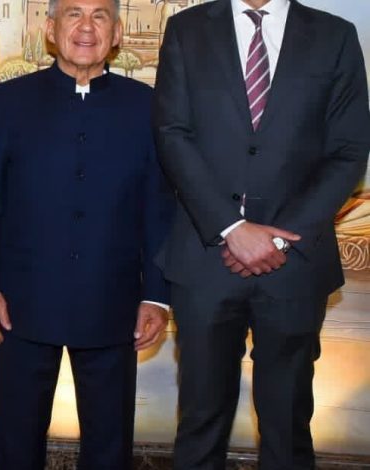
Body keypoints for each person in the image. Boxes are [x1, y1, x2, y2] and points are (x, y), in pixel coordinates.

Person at [153, 0, 370, 467]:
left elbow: (349, 149)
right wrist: (231, 227)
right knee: (200, 422)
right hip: (205, 261)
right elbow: (172, 133)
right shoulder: (187, 29)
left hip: (295, 264)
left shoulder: (334, 36)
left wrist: (278, 239)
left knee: (287, 427)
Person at [0, 0, 174, 466]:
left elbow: (159, 207)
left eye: (99, 16)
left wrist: (157, 296)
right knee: (13, 448)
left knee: (109, 451)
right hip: (19, 308)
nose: (87, 27)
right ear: (51, 29)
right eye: (73, 14)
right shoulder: (7, 102)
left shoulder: (147, 107)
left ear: (117, 34)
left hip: (114, 306)